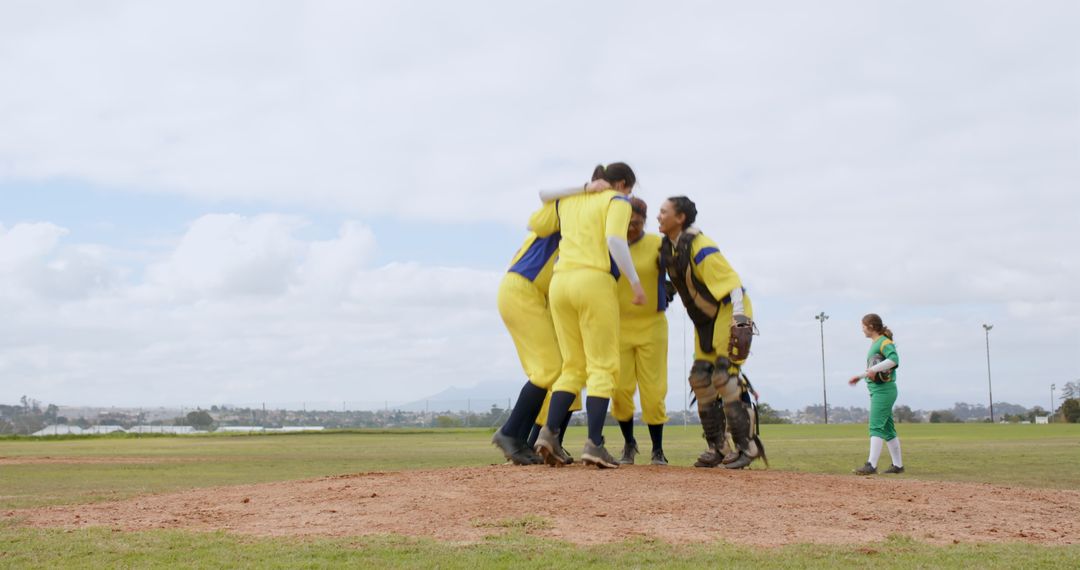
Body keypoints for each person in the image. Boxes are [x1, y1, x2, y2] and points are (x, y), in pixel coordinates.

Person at [530, 162, 646, 469]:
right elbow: (614, 241)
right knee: (603, 365)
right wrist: (635, 283)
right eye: (630, 190)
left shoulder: (571, 200)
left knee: (572, 366)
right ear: (622, 184)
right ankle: (595, 444)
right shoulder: (617, 201)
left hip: (561, 283)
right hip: (594, 282)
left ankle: (550, 434)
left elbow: (543, 193)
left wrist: (583, 188)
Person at [657, 196, 762, 470]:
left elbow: (733, 283)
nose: (658, 216)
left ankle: (747, 446)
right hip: (706, 319)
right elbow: (678, 279)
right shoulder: (669, 248)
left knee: (723, 377)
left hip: (728, 310)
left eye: (663, 211)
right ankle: (717, 447)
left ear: (679, 218)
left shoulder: (701, 245)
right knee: (700, 379)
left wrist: (739, 321)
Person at [611, 197, 671, 466]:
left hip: (652, 326)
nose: (631, 229)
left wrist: (668, 292)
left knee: (653, 392)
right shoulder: (611, 246)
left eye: (636, 224)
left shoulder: (658, 245)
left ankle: (657, 449)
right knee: (620, 390)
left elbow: (679, 275)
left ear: (644, 222)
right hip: (618, 327)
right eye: (627, 224)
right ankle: (628, 444)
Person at [848, 313, 904, 475]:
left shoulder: (884, 342)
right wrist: (859, 377)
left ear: (871, 327)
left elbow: (894, 360)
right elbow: (875, 368)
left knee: (875, 426)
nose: (862, 330)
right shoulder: (876, 343)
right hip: (879, 390)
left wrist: (873, 370)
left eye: (863, 327)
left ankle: (871, 465)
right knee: (887, 430)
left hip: (884, 391)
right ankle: (898, 466)